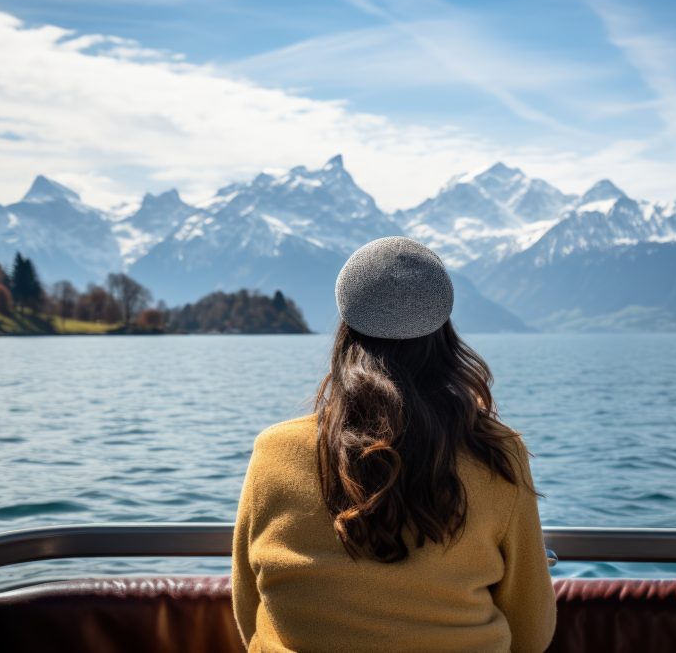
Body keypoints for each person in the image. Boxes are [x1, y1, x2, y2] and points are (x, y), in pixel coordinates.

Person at [232, 236, 556, 652]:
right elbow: (532, 633)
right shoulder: (495, 455)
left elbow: (247, 605)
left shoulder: (274, 451)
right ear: (445, 337)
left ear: (346, 331)